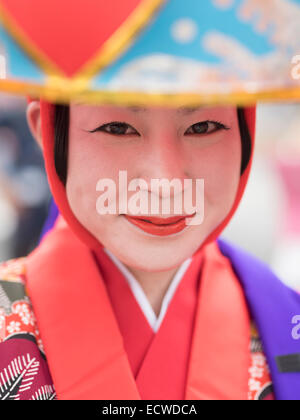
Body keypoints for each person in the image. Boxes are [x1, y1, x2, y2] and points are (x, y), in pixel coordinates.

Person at [0, 100, 299, 401]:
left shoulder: (288, 322)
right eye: (117, 129)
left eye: (202, 127)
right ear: (46, 130)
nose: (165, 183)